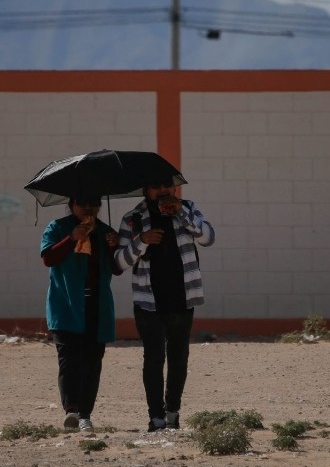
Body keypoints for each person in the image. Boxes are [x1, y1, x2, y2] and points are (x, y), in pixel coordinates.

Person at [114, 178, 215, 432]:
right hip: (148, 301)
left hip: (183, 297)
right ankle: (156, 417)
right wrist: (143, 239)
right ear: (146, 190)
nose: (163, 190)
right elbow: (118, 264)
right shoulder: (132, 219)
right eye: (156, 186)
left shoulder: (188, 208)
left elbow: (208, 237)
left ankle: (172, 414)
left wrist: (181, 212)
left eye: (167, 185)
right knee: (154, 358)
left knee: (179, 358)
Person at [40, 196, 122, 432]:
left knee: (93, 361)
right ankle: (71, 410)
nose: (89, 207)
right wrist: (71, 238)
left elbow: (117, 269)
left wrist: (114, 246)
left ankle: (85, 414)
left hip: (97, 305)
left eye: (94, 203)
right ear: (71, 204)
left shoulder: (105, 232)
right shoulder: (58, 228)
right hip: (65, 305)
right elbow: (48, 258)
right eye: (82, 203)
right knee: (69, 360)